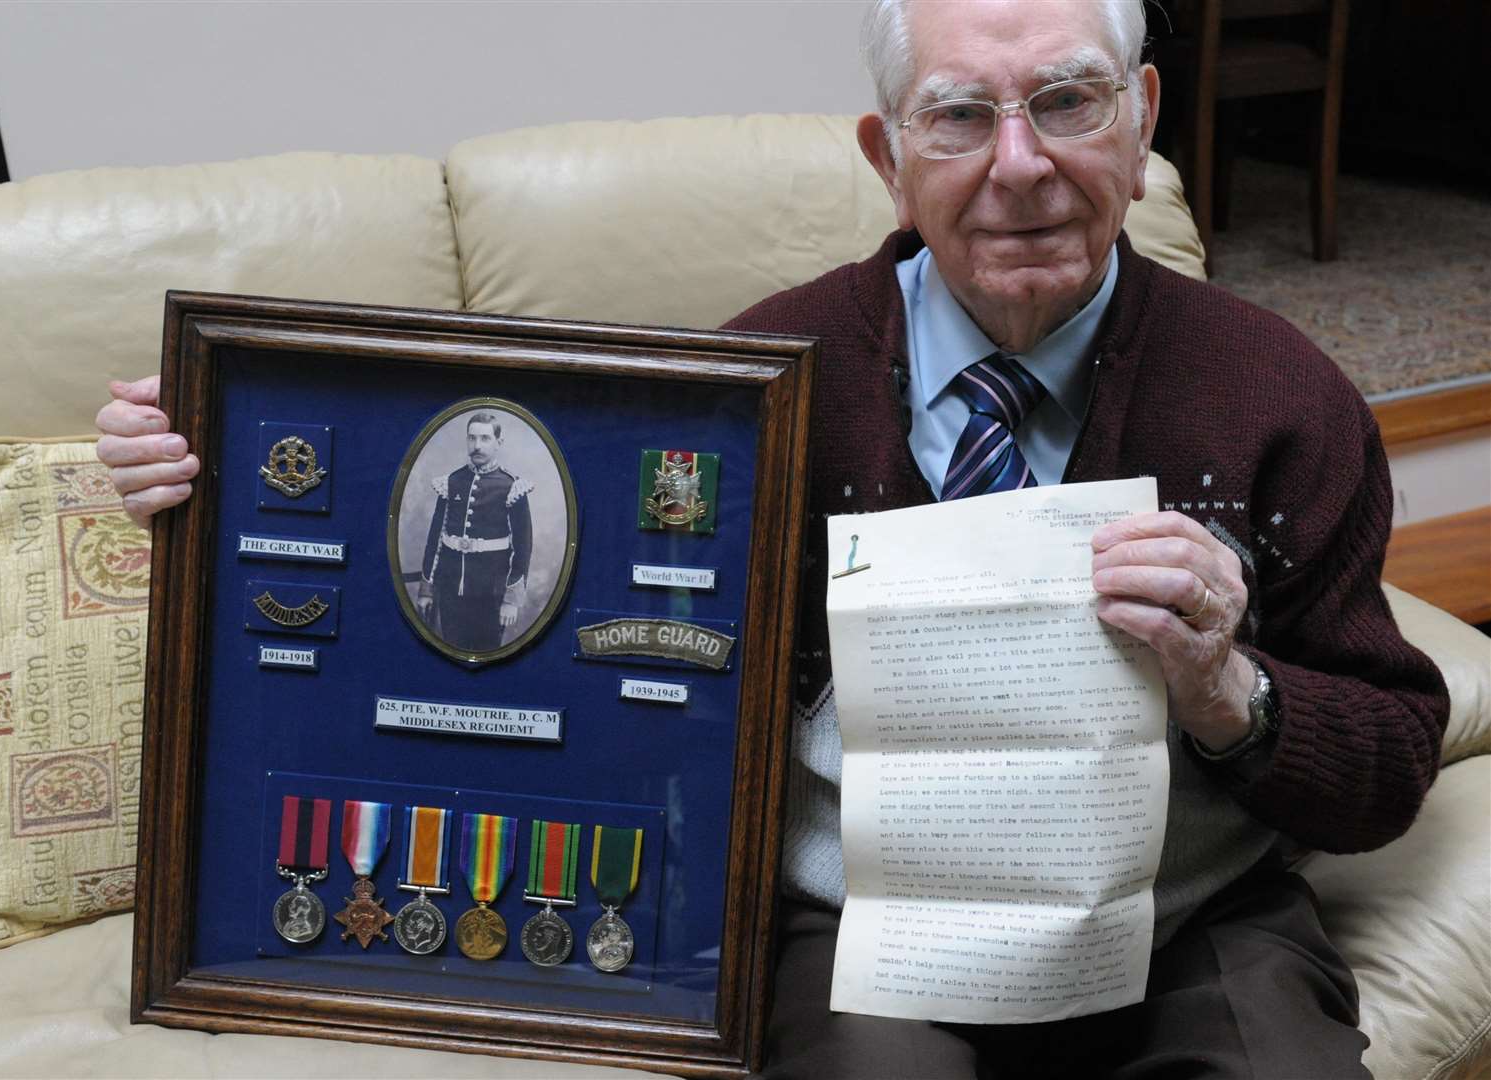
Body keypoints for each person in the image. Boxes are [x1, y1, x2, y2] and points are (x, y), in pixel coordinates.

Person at [96, 2, 1447, 1072]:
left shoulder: (1279, 397)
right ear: (887, 156)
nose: (1020, 164)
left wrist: (1231, 693)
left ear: (1139, 117)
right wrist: (240, 485)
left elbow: (1385, 767)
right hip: (869, 928)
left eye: (1067, 102)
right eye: (961, 115)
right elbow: (526, 612)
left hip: (1183, 918)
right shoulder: (752, 389)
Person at [417, 412, 533, 653]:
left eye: (485, 438)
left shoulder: (511, 486)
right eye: (472, 438)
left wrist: (511, 600)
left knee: (486, 652)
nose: (477, 445)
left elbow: (523, 550)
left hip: (491, 596)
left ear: (499, 442)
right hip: (449, 592)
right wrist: (427, 590)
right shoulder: (451, 482)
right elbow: (435, 540)